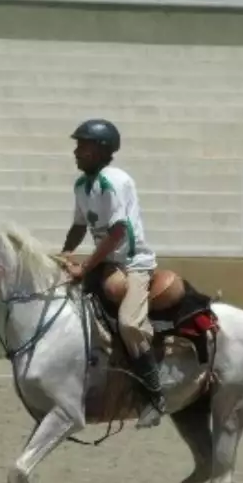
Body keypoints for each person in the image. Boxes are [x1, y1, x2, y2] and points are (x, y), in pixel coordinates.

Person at [59, 118, 165, 428]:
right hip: (106, 264)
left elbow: (118, 232)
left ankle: (154, 396)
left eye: (83, 146)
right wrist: (65, 253)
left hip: (134, 264)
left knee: (130, 324)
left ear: (102, 150)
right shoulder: (82, 185)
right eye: (77, 146)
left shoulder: (115, 180)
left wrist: (85, 266)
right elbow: (80, 225)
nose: (76, 152)